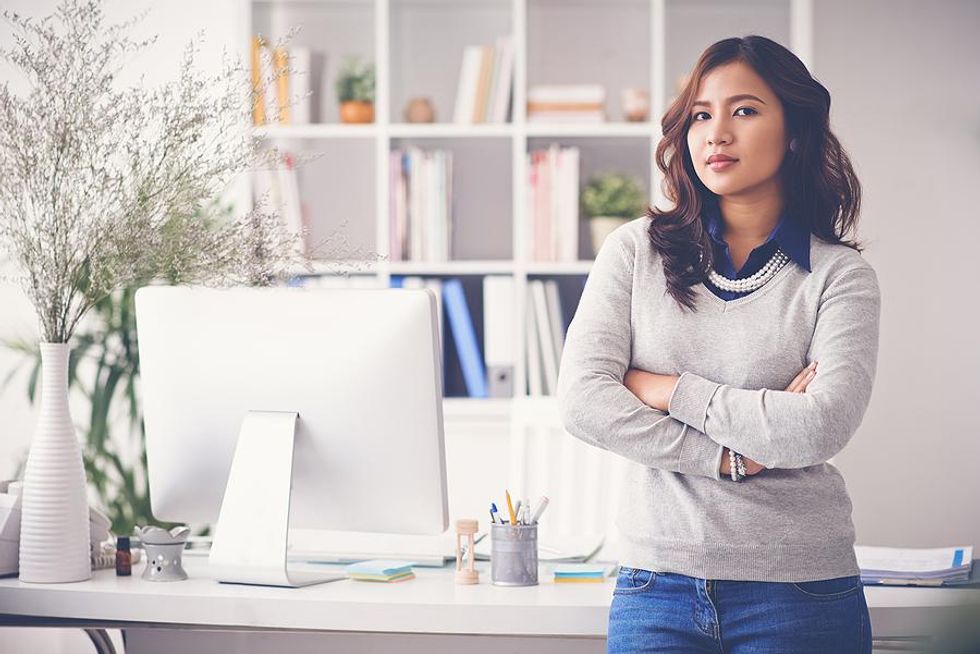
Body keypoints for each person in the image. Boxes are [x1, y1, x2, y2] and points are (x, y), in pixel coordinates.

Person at [556, 34, 879, 653]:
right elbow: (582, 402)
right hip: (657, 588)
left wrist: (665, 388)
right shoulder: (633, 252)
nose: (715, 133)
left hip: (801, 590)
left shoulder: (841, 276)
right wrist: (730, 455)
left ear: (795, 131)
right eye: (701, 115)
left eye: (745, 110)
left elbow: (820, 427)